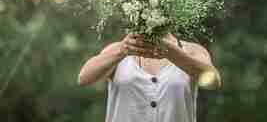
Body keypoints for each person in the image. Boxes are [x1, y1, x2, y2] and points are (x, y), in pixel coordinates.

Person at [78, 33, 221, 122]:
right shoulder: (120, 49)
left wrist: (172, 53)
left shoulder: (192, 50)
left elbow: (213, 81)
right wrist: (121, 50)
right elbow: (84, 79)